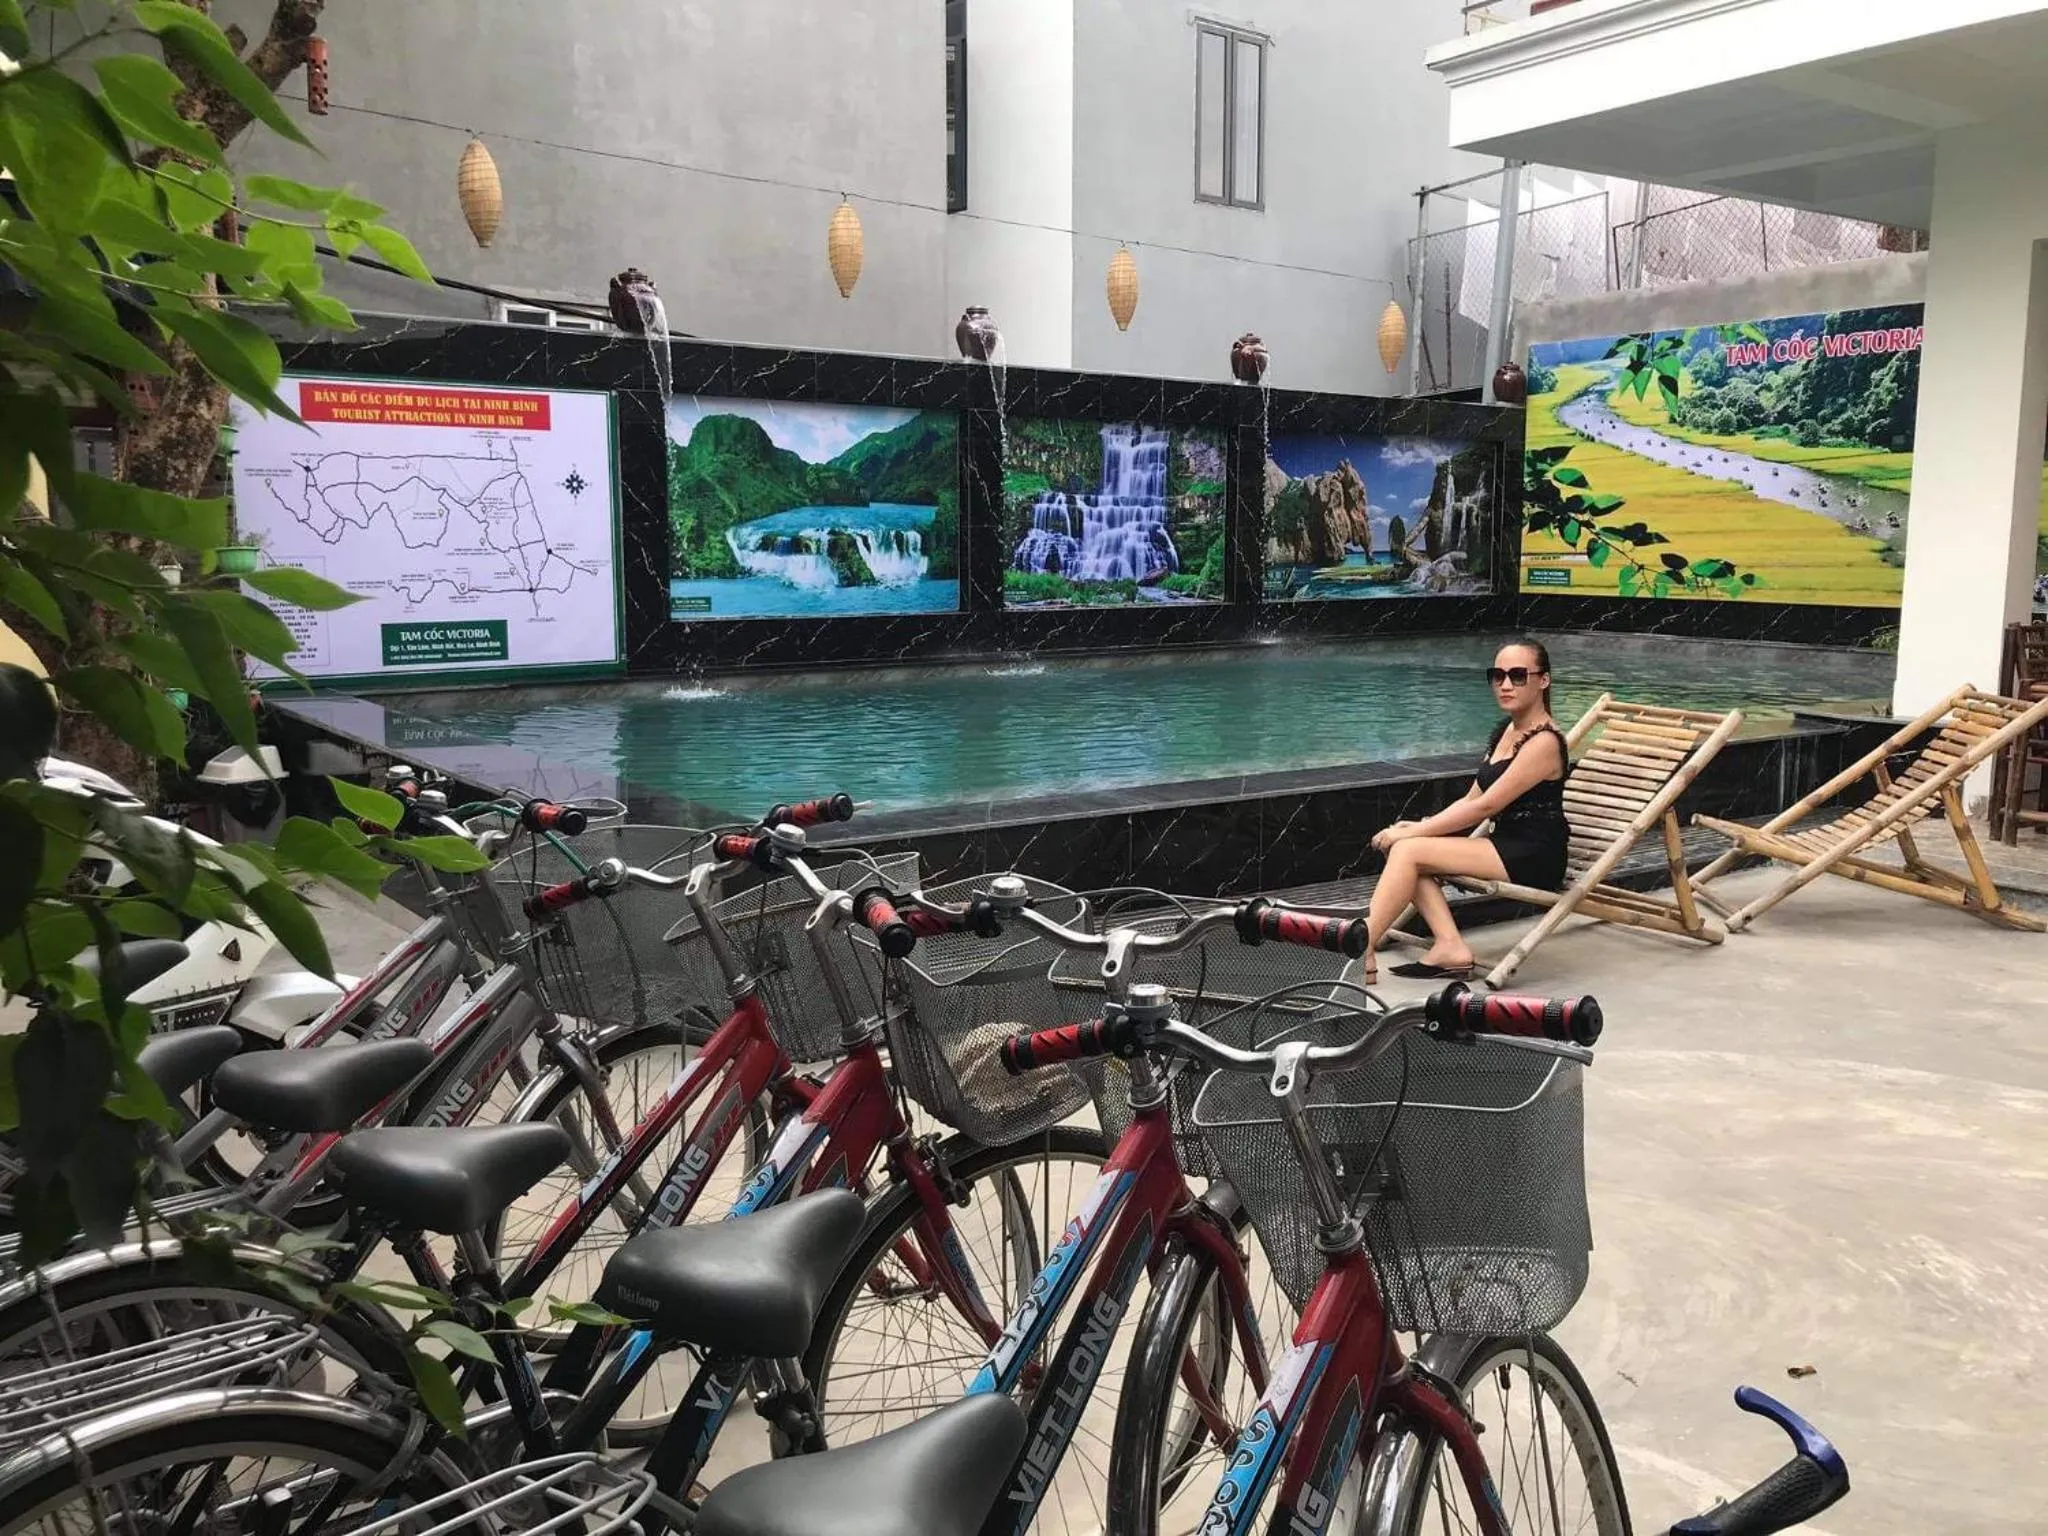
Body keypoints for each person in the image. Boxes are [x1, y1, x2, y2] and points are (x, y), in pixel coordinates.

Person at [1362, 639, 1570, 982]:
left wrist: (1416, 833)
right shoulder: (1506, 730)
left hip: (1534, 854)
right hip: (1503, 845)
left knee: (1409, 849)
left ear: (1543, 680)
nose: (1505, 685)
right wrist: (1419, 825)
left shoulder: (1544, 742)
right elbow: (1472, 797)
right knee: (1406, 845)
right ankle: (1449, 946)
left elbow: (1487, 806)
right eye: (1497, 675)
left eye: (1518, 675)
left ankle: (1360, 945)